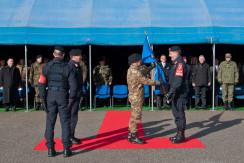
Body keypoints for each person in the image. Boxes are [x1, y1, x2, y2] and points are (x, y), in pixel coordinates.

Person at [38, 46, 77, 157]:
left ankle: (50, 149)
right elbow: (73, 86)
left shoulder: (46, 67)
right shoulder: (68, 67)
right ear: (63, 55)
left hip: (50, 96)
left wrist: (43, 99)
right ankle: (66, 149)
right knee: (65, 123)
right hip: (63, 96)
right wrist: (71, 99)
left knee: (50, 123)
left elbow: (41, 84)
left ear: (54, 54)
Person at [127, 53, 160, 144]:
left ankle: (130, 134)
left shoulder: (131, 69)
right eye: (140, 60)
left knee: (133, 115)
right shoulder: (136, 72)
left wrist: (151, 67)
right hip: (136, 97)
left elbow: (142, 73)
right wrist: (158, 82)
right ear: (136, 61)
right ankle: (134, 136)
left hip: (133, 95)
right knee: (136, 117)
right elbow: (145, 81)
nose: (141, 61)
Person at [165, 46, 187, 144]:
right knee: (176, 114)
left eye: (171, 53)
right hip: (176, 93)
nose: (169, 55)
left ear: (176, 53)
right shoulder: (175, 63)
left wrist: (170, 92)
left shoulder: (180, 64)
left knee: (179, 114)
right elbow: (171, 78)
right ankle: (178, 133)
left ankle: (181, 135)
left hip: (180, 93)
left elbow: (178, 81)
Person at [68, 49, 83, 144]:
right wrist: (72, 95)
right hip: (71, 96)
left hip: (76, 95)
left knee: (74, 116)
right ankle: (68, 137)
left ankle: (71, 135)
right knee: (70, 117)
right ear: (74, 56)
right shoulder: (69, 66)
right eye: (79, 55)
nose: (80, 57)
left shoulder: (77, 66)